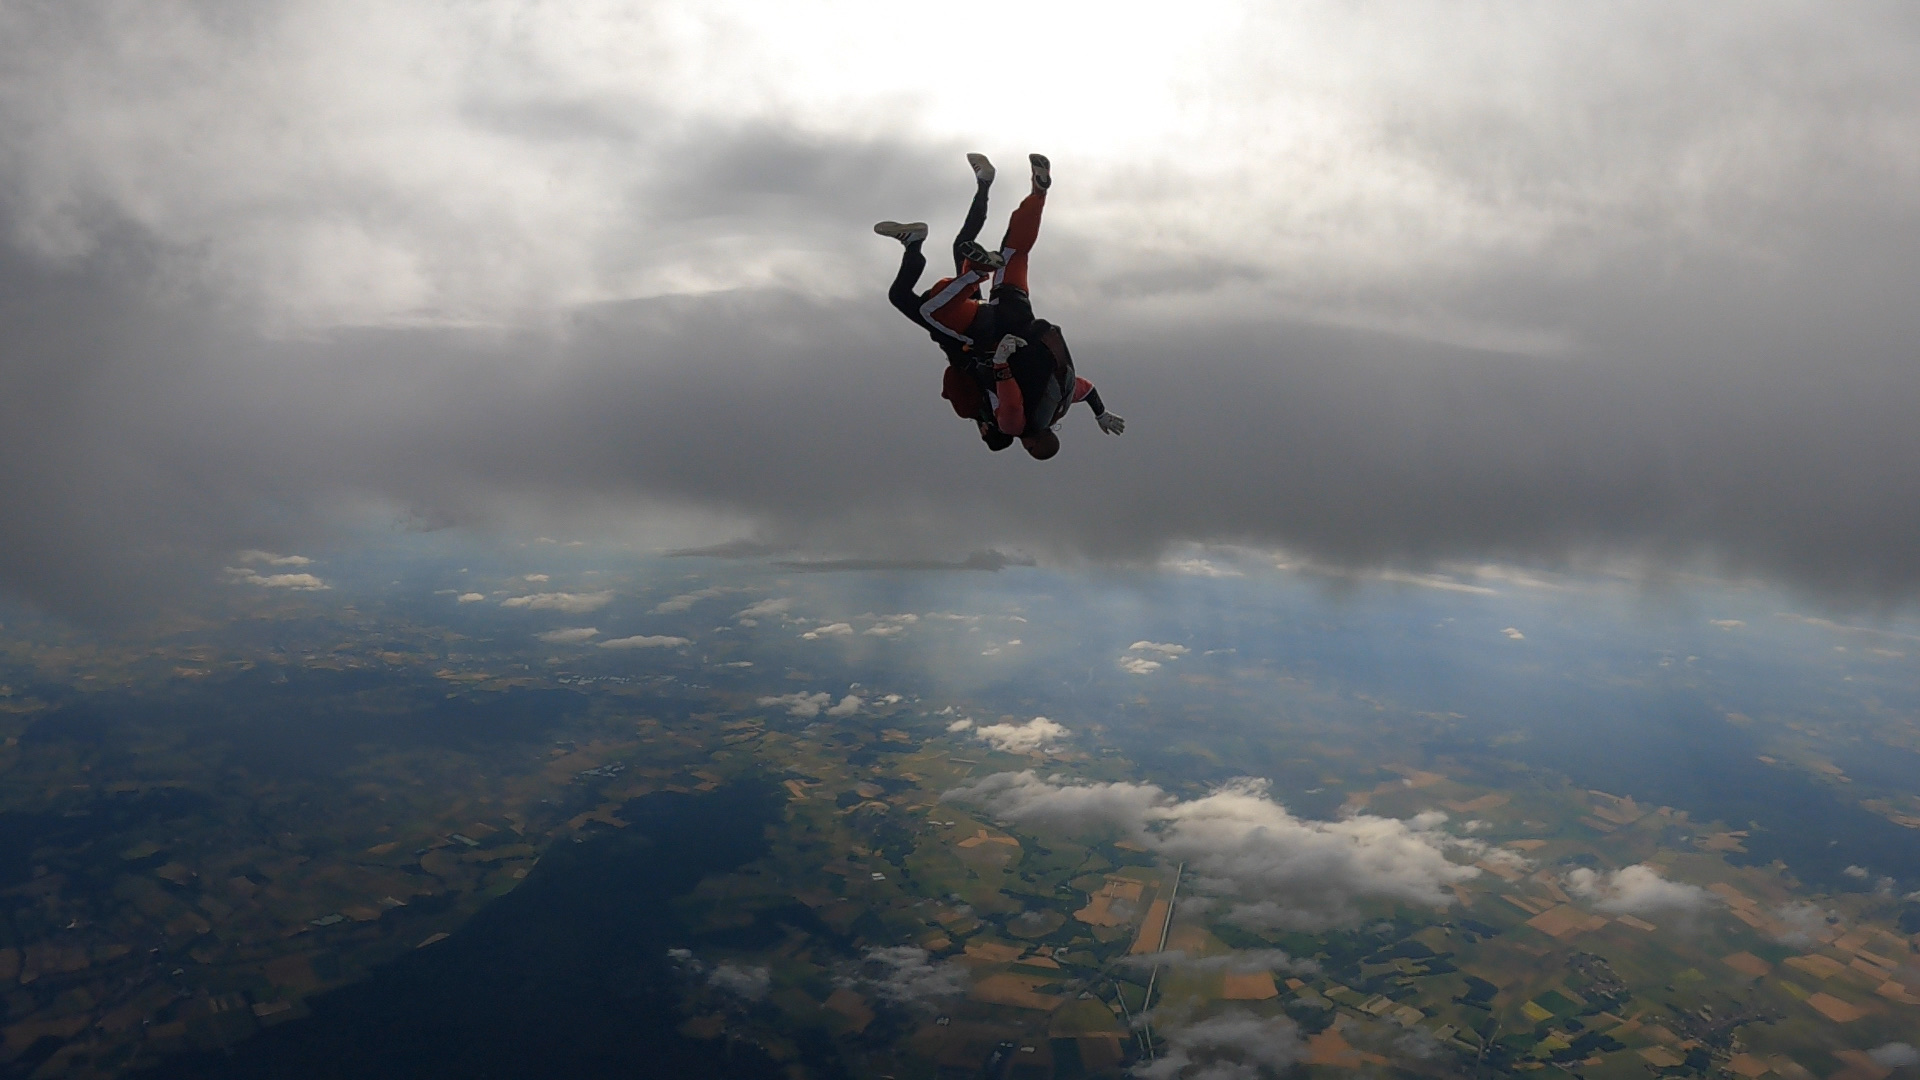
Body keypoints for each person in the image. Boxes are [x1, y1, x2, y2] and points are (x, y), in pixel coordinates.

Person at [875, 154, 1124, 457]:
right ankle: (969, 266)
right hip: (990, 333)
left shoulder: (1058, 404)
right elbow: (1011, 403)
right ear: (1030, 445)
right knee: (930, 310)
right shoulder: (1013, 426)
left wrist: (1100, 412)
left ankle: (1037, 194)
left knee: (1015, 253)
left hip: (1020, 317)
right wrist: (1002, 361)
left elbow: (1085, 389)